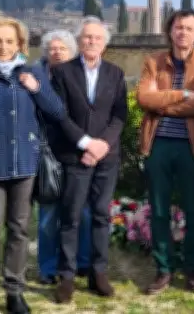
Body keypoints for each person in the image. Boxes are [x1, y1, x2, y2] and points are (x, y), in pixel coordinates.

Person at [0, 16, 65, 314]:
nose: (3, 47)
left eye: (10, 41)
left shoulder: (32, 73)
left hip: (25, 168)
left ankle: (14, 293)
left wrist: (36, 88)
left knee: (19, 231)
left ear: (20, 44)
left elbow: (57, 111)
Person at [136, 9, 194, 294]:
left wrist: (162, 101)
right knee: (159, 209)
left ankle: (192, 270)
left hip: (191, 147)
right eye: (178, 27)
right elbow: (144, 97)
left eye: (189, 28)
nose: (183, 32)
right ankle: (163, 269)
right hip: (158, 145)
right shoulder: (153, 62)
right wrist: (182, 94)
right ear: (170, 31)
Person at [50, 16, 128, 303]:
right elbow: (59, 114)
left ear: (105, 44)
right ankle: (67, 275)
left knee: (100, 214)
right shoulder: (62, 73)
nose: (92, 41)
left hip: (106, 157)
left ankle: (98, 272)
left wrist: (103, 145)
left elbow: (120, 115)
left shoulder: (115, 73)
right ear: (79, 41)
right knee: (70, 215)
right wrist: (85, 143)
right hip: (76, 154)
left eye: (97, 38)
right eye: (87, 37)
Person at [33, 29, 93, 285]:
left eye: (62, 48)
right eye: (52, 48)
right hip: (48, 152)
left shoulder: (81, 75)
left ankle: (82, 261)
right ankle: (48, 266)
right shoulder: (35, 74)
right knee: (48, 213)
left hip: (78, 150)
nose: (56, 52)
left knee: (83, 211)